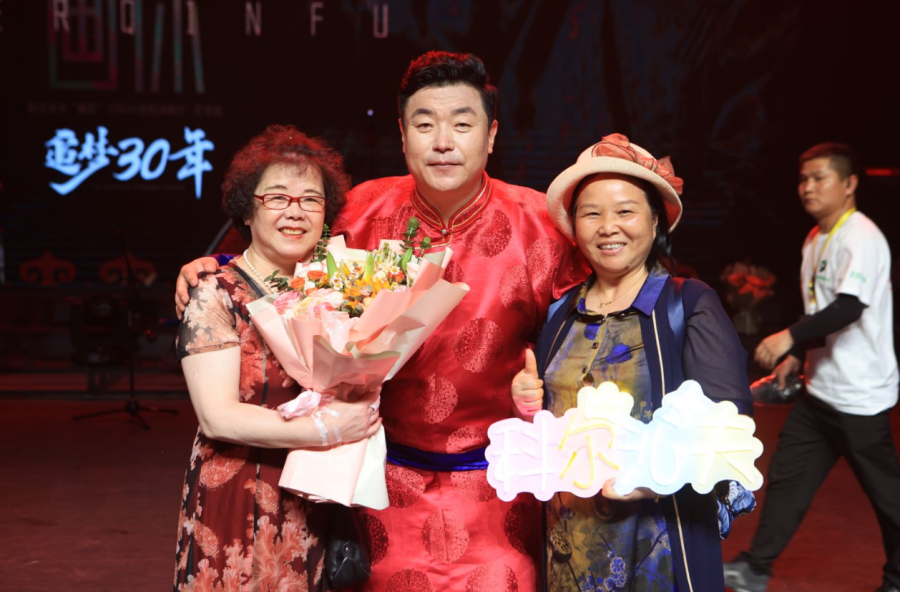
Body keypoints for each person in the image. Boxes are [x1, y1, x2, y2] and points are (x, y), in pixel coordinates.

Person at [175, 52, 587, 591]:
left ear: (491, 137)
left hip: (498, 485)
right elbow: (273, 246)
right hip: (376, 481)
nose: (443, 141)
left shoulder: (543, 227)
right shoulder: (358, 210)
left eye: (463, 124)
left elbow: (595, 321)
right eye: (425, 124)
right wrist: (216, 264)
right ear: (402, 134)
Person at [512, 133, 754, 591]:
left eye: (625, 211)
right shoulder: (561, 312)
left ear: (656, 219)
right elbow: (550, 427)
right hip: (569, 548)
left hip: (656, 545)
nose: (608, 227)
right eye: (591, 213)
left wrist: (657, 479)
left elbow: (730, 425)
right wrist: (527, 402)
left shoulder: (688, 304)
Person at [173, 125, 382, 592]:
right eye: (277, 198)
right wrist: (328, 430)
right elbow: (217, 417)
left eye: (311, 200)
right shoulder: (214, 294)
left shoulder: (338, 290)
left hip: (317, 494)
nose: (295, 211)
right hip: (240, 492)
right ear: (248, 209)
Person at [724, 143, 900, 592]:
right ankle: (755, 567)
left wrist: (788, 337)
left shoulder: (861, 237)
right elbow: (819, 311)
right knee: (788, 477)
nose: (808, 187)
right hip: (819, 391)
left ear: (849, 183)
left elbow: (849, 307)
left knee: (888, 498)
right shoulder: (814, 238)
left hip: (860, 396)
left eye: (820, 178)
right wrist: (799, 355)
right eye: (803, 179)